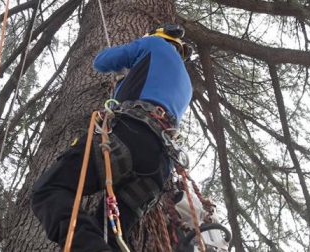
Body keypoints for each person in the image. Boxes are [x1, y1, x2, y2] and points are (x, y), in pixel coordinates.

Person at [31, 24, 193, 252]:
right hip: (159, 164)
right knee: (110, 235)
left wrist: (125, 66)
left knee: (49, 190)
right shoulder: (186, 84)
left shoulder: (154, 43)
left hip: (131, 134)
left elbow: (102, 61)